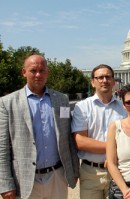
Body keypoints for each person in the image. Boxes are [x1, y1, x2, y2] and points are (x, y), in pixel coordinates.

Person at [0, 54, 79, 199]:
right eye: (33, 70)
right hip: (25, 180)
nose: (38, 74)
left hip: (57, 176)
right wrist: (5, 183)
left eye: (42, 71)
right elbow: (2, 147)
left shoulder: (61, 99)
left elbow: (68, 137)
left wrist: (73, 170)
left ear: (47, 73)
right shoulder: (7, 103)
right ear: (24, 72)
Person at [71, 64, 127, 199]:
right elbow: (81, 141)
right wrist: (113, 148)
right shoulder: (82, 107)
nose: (104, 80)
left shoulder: (124, 107)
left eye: (108, 77)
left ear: (114, 81)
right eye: (100, 77)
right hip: (91, 172)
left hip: (120, 171)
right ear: (93, 81)